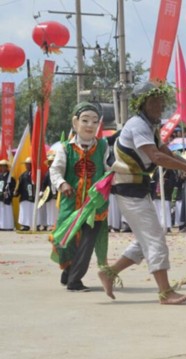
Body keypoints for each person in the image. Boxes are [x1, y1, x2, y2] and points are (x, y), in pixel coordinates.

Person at [98, 81, 186, 305]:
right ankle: (165, 292)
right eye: (154, 102)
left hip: (137, 188)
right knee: (155, 238)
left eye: (160, 101)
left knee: (145, 239)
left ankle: (109, 272)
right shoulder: (137, 125)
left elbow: (164, 151)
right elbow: (156, 157)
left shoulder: (149, 126)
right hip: (128, 189)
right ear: (143, 104)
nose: (159, 106)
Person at [49, 102, 110, 292]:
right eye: (85, 121)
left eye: (94, 121)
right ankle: (68, 270)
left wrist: (106, 185)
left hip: (94, 205)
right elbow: (55, 170)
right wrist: (62, 183)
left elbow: (109, 170)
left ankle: (75, 280)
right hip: (70, 203)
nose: (90, 125)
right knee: (64, 240)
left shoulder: (103, 146)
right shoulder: (65, 148)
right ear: (75, 123)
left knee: (87, 242)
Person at [13, 157, 34, 231]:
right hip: (24, 196)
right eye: (26, 164)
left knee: (33, 210)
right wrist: (16, 192)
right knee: (24, 210)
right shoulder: (22, 176)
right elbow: (19, 185)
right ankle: (25, 225)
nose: (27, 166)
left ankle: (36, 224)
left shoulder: (36, 174)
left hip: (33, 196)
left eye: (29, 164)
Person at [0, 159, 15, 231]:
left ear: (6, 167)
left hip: (6, 197)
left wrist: (8, 192)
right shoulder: (0, 176)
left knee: (7, 211)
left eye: (4, 167)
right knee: (1, 212)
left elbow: (12, 187)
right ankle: (1, 226)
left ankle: (8, 226)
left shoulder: (10, 177)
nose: (2, 168)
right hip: (0, 196)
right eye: (1, 167)